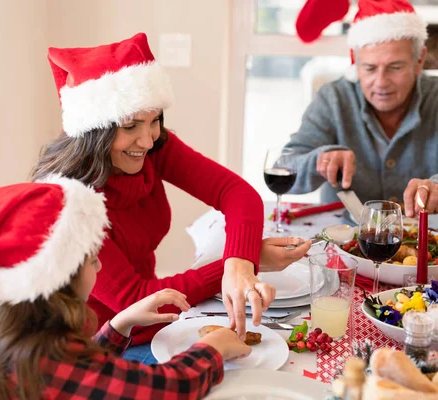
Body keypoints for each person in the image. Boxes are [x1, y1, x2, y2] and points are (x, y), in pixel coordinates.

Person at [31, 32, 311, 362]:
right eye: (131, 125)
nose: (147, 140)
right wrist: (239, 262)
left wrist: (240, 261)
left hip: (151, 320)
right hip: (99, 345)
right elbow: (135, 300)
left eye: (154, 121)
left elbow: (236, 192)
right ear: (95, 130)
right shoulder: (67, 204)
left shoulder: (152, 147)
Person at [0, 178, 252, 400]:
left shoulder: (16, 334)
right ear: (61, 278)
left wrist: (119, 325)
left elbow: (88, 381)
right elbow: (169, 389)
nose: (100, 266)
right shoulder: (47, 360)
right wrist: (214, 347)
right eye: (91, 259)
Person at [287, 0, 438, 217]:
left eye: (395, 67)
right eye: (369, 68)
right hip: (344, 242)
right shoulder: (333, 98)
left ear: (419, 60)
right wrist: (320, 159)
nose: (381, 82)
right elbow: (286, 165)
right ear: (356, 65)